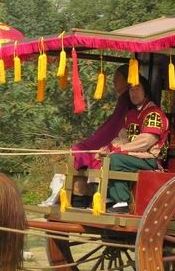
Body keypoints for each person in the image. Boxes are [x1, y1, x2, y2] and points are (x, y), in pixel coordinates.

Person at [40, 64, 131, 207]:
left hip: (121, 139)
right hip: (115, 136)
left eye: (117, 79)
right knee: (81, 150)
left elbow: (115, 126)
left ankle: (81, 200)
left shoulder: (127, 99)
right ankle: (78, 198)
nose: (114, 82)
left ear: (128, 80)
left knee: (82, 150)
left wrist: (97, 141)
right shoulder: (125, 98)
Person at [96, 76, 169, 213]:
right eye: (131, 89)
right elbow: (122, 137)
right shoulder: (131, 114)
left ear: (145, 91)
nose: (133, 93)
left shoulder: (154, 113)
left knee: (115, 159)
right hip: (134, 157)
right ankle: (110, 197)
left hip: (149, 159)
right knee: (104, 157)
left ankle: (123, 201)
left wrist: (119, 150)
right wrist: (109, 147)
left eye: (137, 89)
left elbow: (146, 141)